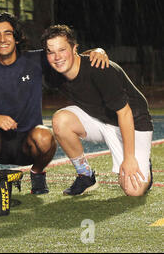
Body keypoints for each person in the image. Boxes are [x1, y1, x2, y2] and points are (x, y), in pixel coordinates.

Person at [0, 12, 109, 195]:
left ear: (16, 38)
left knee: (45, 136)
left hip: (29, 145)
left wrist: (98, 52)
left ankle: (37, 174)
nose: (2, 39)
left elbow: (71, 57)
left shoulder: (34, 60)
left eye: (8, 33)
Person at [41, 24, 153, 196]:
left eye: (62, 50)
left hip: (133, 122)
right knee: (60, 120)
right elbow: (16, 57)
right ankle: (85, 176)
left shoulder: (100, 69)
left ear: (74, 48)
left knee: (134, 191)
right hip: (100, 120)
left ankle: (144, 164)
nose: (57, 57)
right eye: (51, 52)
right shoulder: (53, 70)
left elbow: (125, 113)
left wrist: (130, 159)